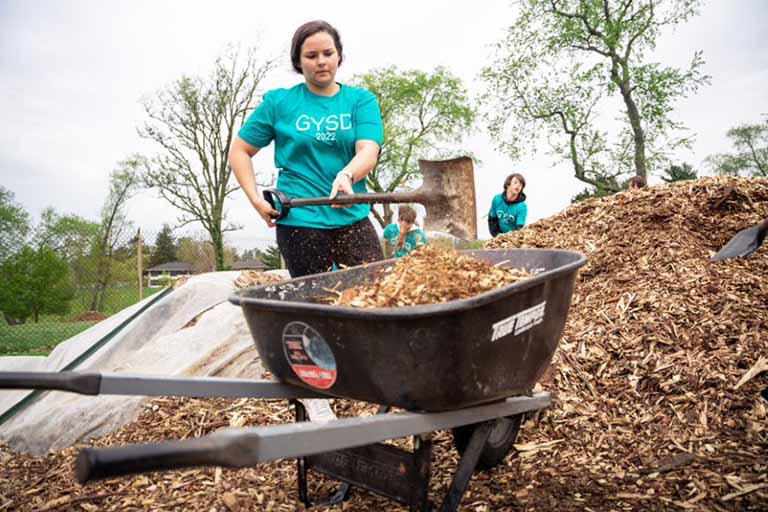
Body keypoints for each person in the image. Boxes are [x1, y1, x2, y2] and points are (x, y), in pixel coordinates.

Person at [228, 20, 385, 278]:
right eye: (311, 56)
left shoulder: (360, 101)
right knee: (316, 302)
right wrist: (255, 199)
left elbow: (368, 149)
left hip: (352, 216)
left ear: (339, 56)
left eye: (328, 53)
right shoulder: (279, 103)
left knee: (376, 291)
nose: (321, 61)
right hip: (300, 222)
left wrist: (347, 175)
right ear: (298, 62)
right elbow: (240, 151)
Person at [488, 173, 527, 237]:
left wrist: (510, 239)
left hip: (513, 237)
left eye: (521, 184)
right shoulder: (497, 199)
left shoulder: (522, 206)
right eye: (515, 182)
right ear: (507, 185)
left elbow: (519, 228)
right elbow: (492, 219)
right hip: (498, 235)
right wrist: (497, 236)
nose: (518, 185)